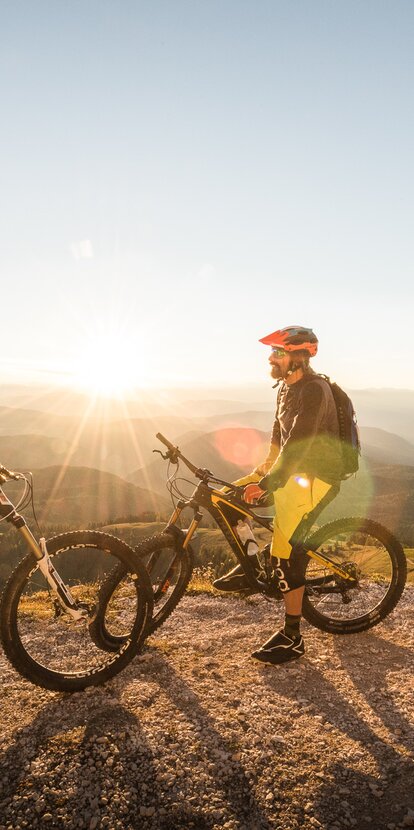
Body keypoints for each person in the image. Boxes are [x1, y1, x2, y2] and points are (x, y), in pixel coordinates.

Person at [213, 325, 343, 665]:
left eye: (278, 353)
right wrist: (262, 474)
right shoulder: (286, 388)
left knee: (286, 555)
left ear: (298, 357)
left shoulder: (314, 391)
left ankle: (293, 637)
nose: (271, 358)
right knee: (225, 499)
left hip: (315, 477)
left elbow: (299, 443)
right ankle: (253, 564)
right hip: (288, 469)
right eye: (272, 352)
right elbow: (278, 440)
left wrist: (269, 484)